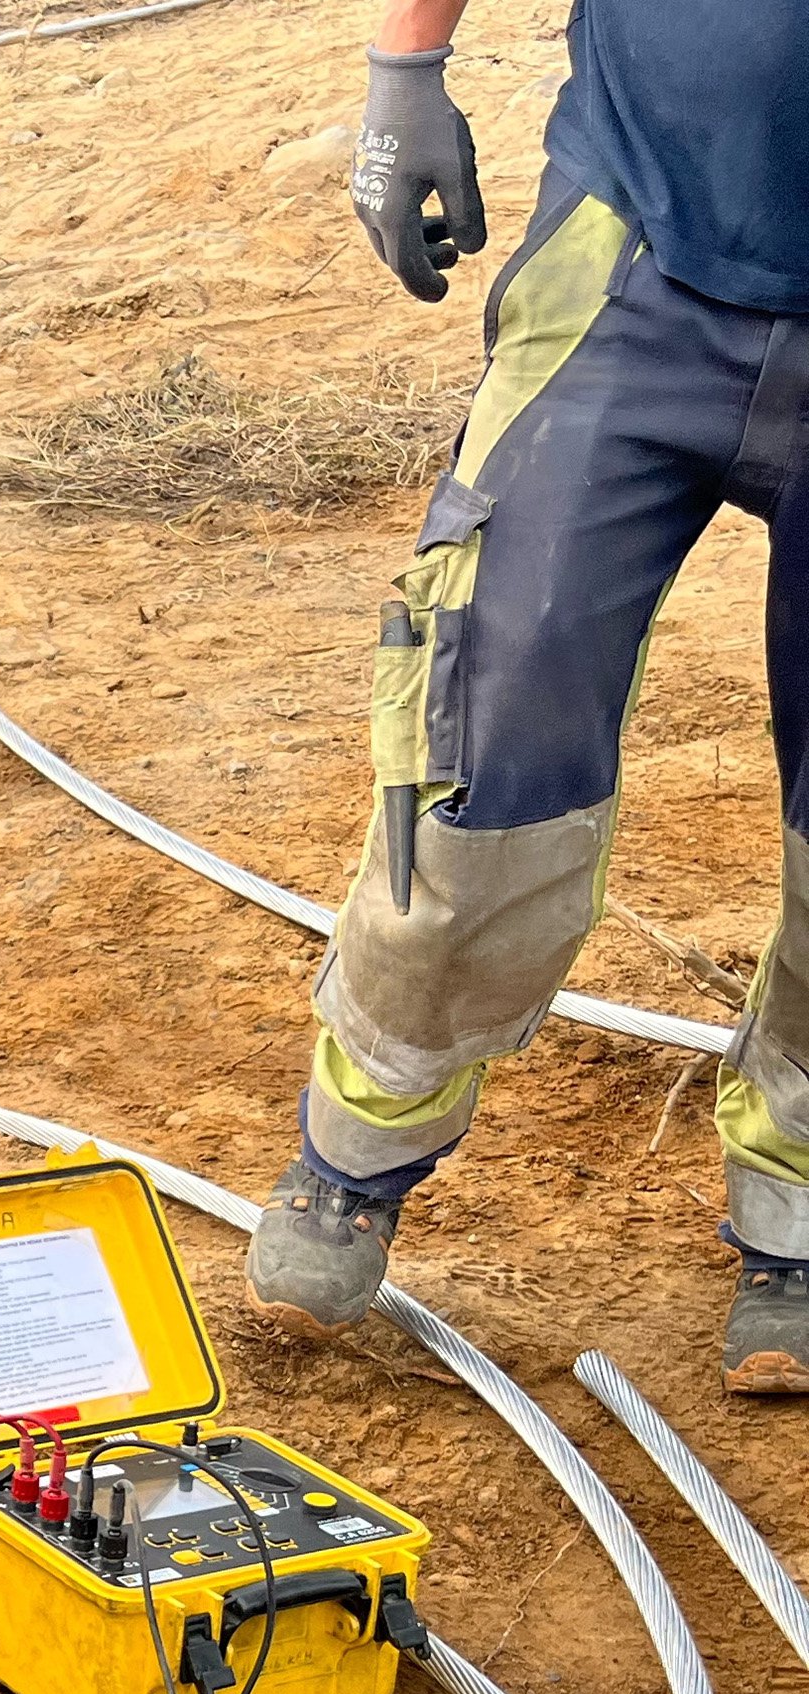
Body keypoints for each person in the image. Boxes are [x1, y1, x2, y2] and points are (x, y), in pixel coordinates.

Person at [246, 0, 809, 1389]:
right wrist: (403, 74)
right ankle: (358, 1146)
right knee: (494, 689)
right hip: (636, 245)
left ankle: (800, 1199)